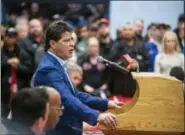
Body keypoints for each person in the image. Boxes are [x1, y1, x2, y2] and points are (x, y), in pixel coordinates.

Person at [33, 20, 123, 135]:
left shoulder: (57, 63)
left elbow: (75, 94)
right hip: (59, 130)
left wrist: (105, 104)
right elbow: (66, 99)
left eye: (71, 39)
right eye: (66, 40)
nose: (72, 44)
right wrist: (97, 116)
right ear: (53, 44)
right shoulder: (48, 68)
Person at [1, 27, 32, 120]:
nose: (11, 39)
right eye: (9, 36)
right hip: (3, 92)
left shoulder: (22, 53)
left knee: (19, 119)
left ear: (16, 38)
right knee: (3, 119)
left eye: (13, 36)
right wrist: (7, 63)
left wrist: (18, 66)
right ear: (4, 37)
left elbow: (29, 70)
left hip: (19, 90)